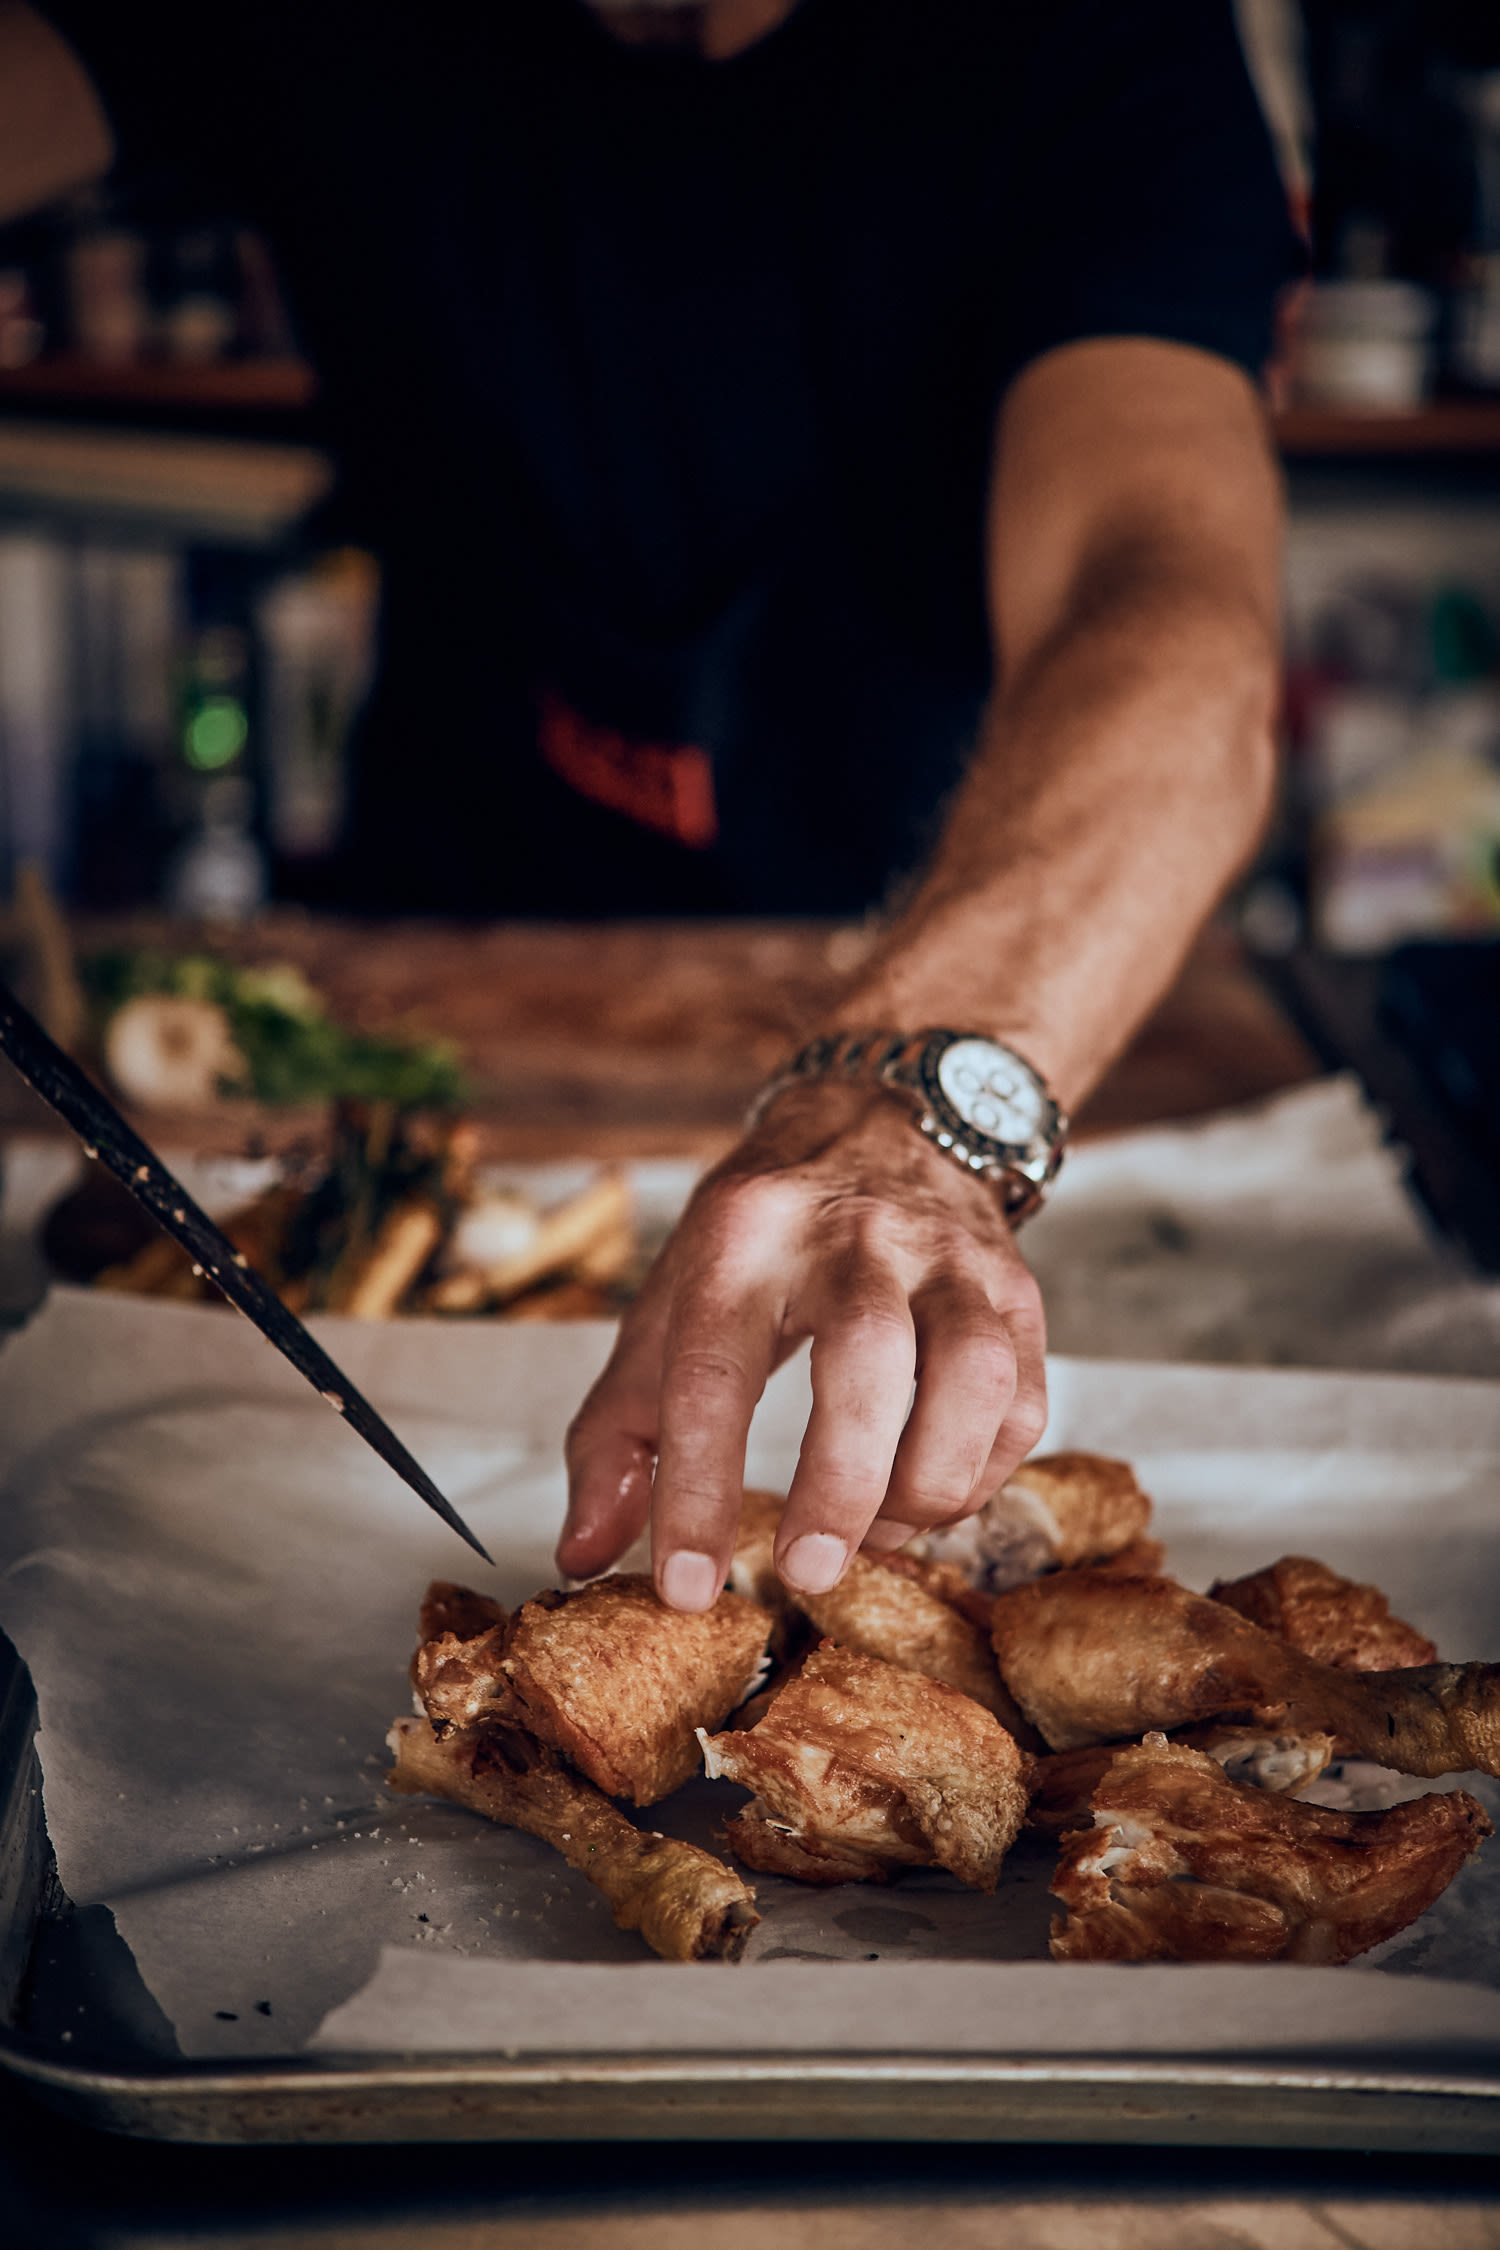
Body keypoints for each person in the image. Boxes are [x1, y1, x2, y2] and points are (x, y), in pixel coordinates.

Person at [0, 0, 1298, 1610]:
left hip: (962, 958)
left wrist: (911, 1109)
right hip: (452, 959)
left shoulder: (1094, 44)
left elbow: (1168, 607)